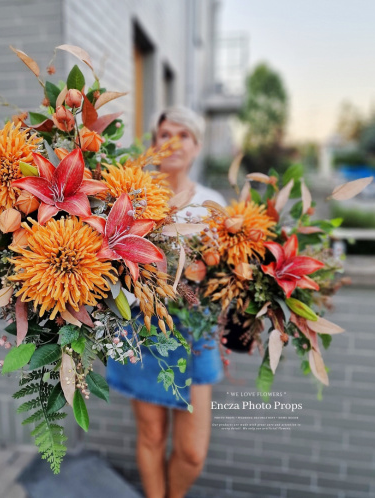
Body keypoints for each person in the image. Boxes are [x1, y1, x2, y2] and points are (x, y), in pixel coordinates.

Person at [106, 106, 226, 498]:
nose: (172, 142)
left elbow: (226, 270)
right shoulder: (133, 195)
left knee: (192, 453)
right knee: (152, 435)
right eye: (164, 134)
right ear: (155, 143)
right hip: (142, 325)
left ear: (197, 147)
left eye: (184, 135)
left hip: (194, 330)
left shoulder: (212, 204)